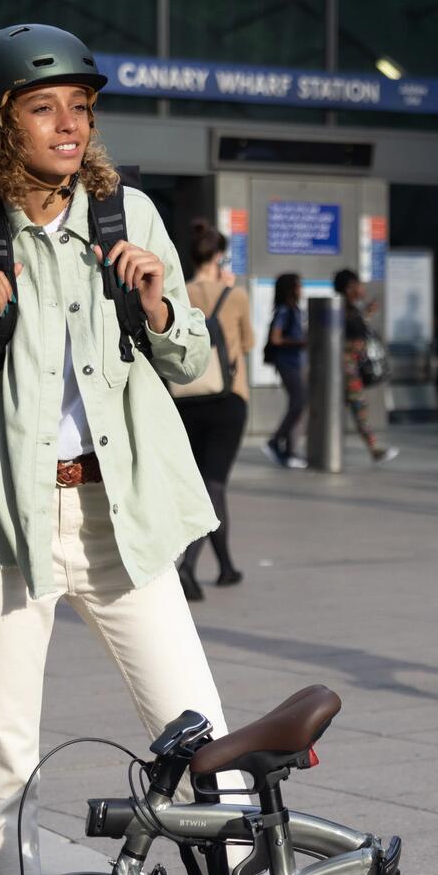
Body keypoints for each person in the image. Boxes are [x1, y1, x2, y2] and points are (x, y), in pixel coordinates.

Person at [0, 23, 253, 875]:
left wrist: (161, 302)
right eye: (44, 108)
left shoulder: (127, 220)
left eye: (80, 109)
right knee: (3, 760)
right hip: (7, 523)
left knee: (205, 741)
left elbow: (190, 359)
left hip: (120, 514)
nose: (69, 125)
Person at [174, 218, 252, 600]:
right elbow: (247, 343)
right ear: (219, 255)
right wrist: (230, 294)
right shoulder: (234, 296)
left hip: (187, 399)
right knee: (214, 483)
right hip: (228, 399)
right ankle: (188, 566)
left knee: (205, 482)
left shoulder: (178, 293)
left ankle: (226, 567)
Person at [335, 268, 396, 464]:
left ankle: (373, 448)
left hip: (350, 368)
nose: (362, 289)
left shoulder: (352, 310)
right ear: (349, 288)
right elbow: (337, 340)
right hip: (347, 369)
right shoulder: (340, 310)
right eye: (358, 285)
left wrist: (367, 314)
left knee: (344, 408)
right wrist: (354, 346)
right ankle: (374, 449)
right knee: (358, 408)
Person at [262, 272, 309, 469]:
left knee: (297, 404)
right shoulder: (284, 310)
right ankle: (275, 441)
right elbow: (276, 338)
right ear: (290, 289)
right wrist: (301, 342)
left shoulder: (295, 309)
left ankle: (290, 452)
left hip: (295, 362)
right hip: (287, 362)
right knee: (299, 403)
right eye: (298, 286)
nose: (301, 290)